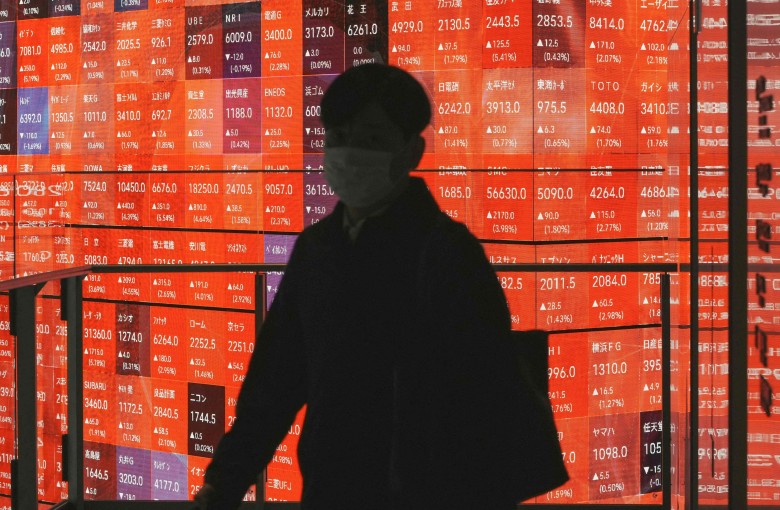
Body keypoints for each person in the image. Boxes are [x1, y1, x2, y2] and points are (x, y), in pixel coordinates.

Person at [196, 63, 529, 510]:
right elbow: (275, 382)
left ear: (412, 151)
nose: (349, 153)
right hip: (330, 487)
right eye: (338, 137)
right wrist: (222, 484)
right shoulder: (317, 249)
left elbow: (484, 405)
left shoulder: (449, 255)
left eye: (371, 140)